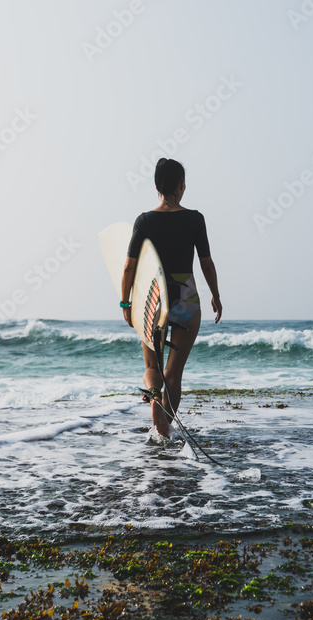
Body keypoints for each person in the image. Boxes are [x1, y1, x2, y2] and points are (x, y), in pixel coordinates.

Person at [120, 158, 223, 438]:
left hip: (155, 300)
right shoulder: (195, 219)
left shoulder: (145, 221)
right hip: (187, 299)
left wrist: (126, 303)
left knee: (153, 367)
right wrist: (215, 295)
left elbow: (129, 267)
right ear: (182, 185)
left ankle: (154, 394)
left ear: (156, 186)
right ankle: (164, 433)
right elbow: (206, 262)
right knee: (174, 374)